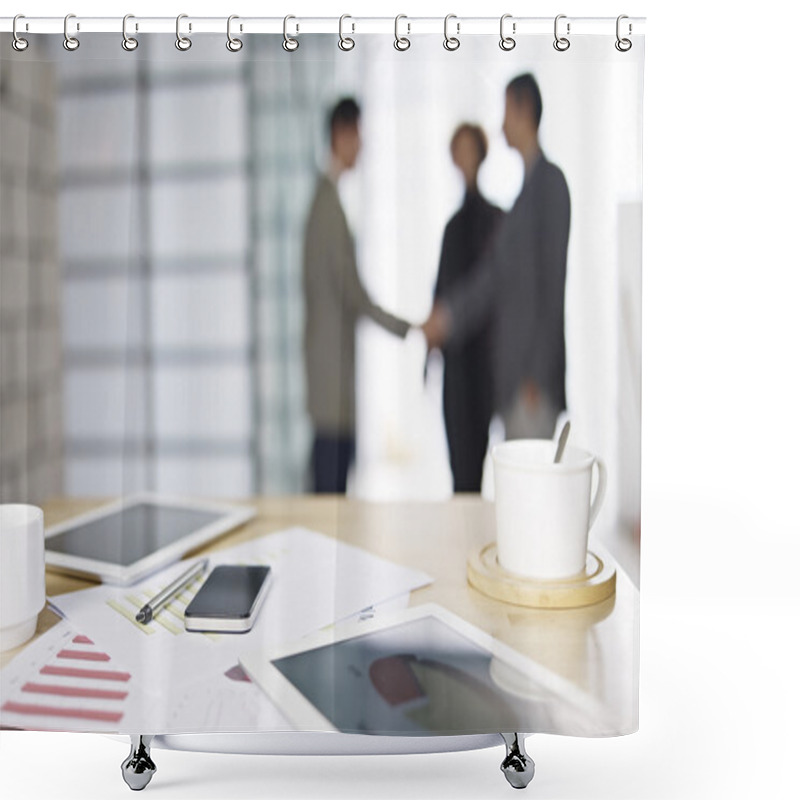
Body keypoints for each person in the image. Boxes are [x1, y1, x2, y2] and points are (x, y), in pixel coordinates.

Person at [422, 73, 571, 441]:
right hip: (512, 387)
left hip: (531, 387)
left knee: (532, 494)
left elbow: (553, 284)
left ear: (523, 109)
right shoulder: (522, 198)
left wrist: (537, 375)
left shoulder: (550, 185)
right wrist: (448, 315)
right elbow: (492, 277)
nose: (502, 123)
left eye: (506, 110)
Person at [303, 98, 411, 494]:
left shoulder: (326, 201)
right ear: (341, 134)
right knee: (329, 491)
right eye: (358, 136)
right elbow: (354, 294)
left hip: (330, 376)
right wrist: (408, 327)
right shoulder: (328, 207)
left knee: (329, 485)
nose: (362, 146)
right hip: (331, 380)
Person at [433, 124, 503, 491]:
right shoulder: (452, 227)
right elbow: (440, 294)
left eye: (469, 148)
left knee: (474, 470)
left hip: (483, 367)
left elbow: (491, 294)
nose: (463, 157)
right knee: (459, 472)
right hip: (455, 368)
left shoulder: (496, 221)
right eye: (457, 149)